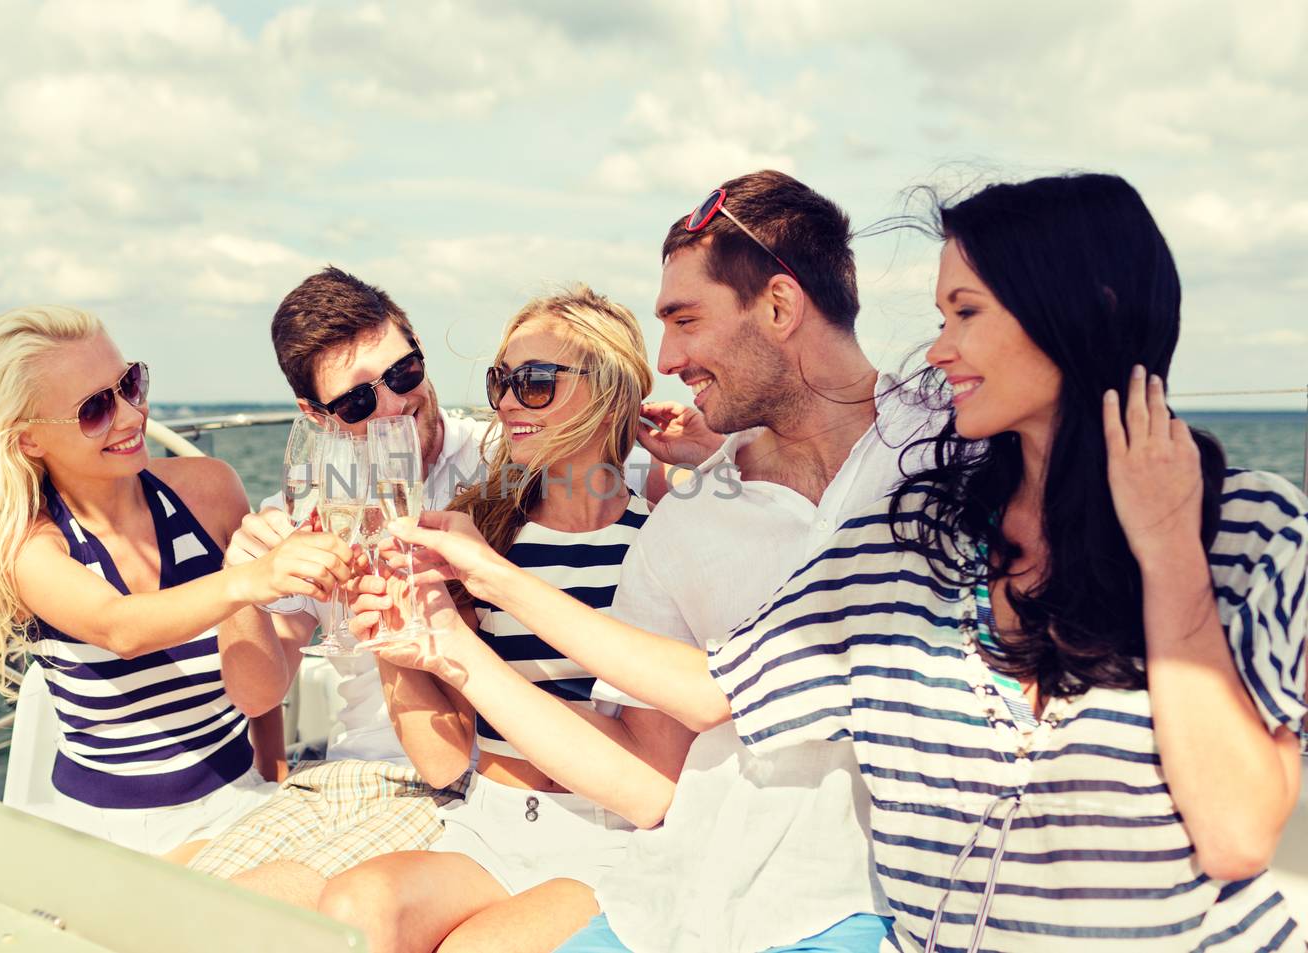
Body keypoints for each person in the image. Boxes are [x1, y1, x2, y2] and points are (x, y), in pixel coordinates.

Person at [709, 174, 1308, 949]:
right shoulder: (921, 533)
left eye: (967, 311)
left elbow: (1235, 836)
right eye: (940, 316)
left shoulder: (1254, 531)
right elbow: (711, 688)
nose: (939, 347)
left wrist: (1168, 554)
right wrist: (496, 579)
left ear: (1088, 308)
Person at [374, 171, 924, 952]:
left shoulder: (939, 458)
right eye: (504, 383)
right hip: (673, 899)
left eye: (685, 319)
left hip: (857, 899)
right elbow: (645, 769)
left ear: (779, 305)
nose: (667, 359)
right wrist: (440, 644)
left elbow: (715, 692)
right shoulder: (686, 524)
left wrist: (492, 588)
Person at [185, 269, 659, 905]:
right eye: (357, 403)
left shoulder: (508, 460)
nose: (393, 406)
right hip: (345, 771)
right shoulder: (310, 507)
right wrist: (239, 586)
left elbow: (613, 476)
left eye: (403, 374)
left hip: (446, 784)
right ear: (314, 415)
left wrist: (684, 458)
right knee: (190, 902)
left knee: (265, 911)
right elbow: (258, 692)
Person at [0, 305, 353, 856]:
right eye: (95, 408)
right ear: (28, 439)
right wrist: (250, 577)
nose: (130, 415)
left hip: (241, 799)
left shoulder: (210, 489)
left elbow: (254, 673)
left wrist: (271, 768)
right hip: (110, 835)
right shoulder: (29, 545)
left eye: (129, 384)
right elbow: (120, 627)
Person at [319, 284, 675, 953]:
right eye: (500, 381)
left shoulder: (658, 541)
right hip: (491, 822)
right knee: (349, 910)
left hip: (609, 840)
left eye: (535, 381)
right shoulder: (479, 534)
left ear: (610, 389)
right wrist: (393, 645)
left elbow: (654, 770)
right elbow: (445, 761)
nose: (509, 400)